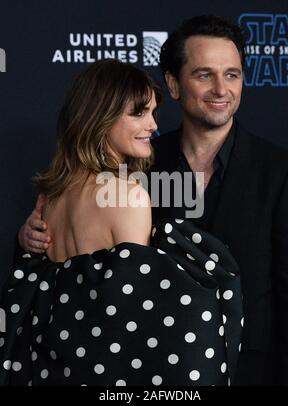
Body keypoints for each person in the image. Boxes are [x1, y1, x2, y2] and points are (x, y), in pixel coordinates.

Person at [19, 15, 288, 385]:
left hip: (248, 366)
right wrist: (29, 238)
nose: (221, 88)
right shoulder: (137, 165)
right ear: (174, 83)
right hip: (153, 372)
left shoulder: (283, 170)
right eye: (204, 74)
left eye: (232, 74)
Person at [0, 59, 243, 386]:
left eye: (154, 112)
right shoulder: (128, 196)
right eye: (139, 113)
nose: (153, 126)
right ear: (99, 117)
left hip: (55, 370)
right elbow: (138, 320)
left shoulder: (50, 195)